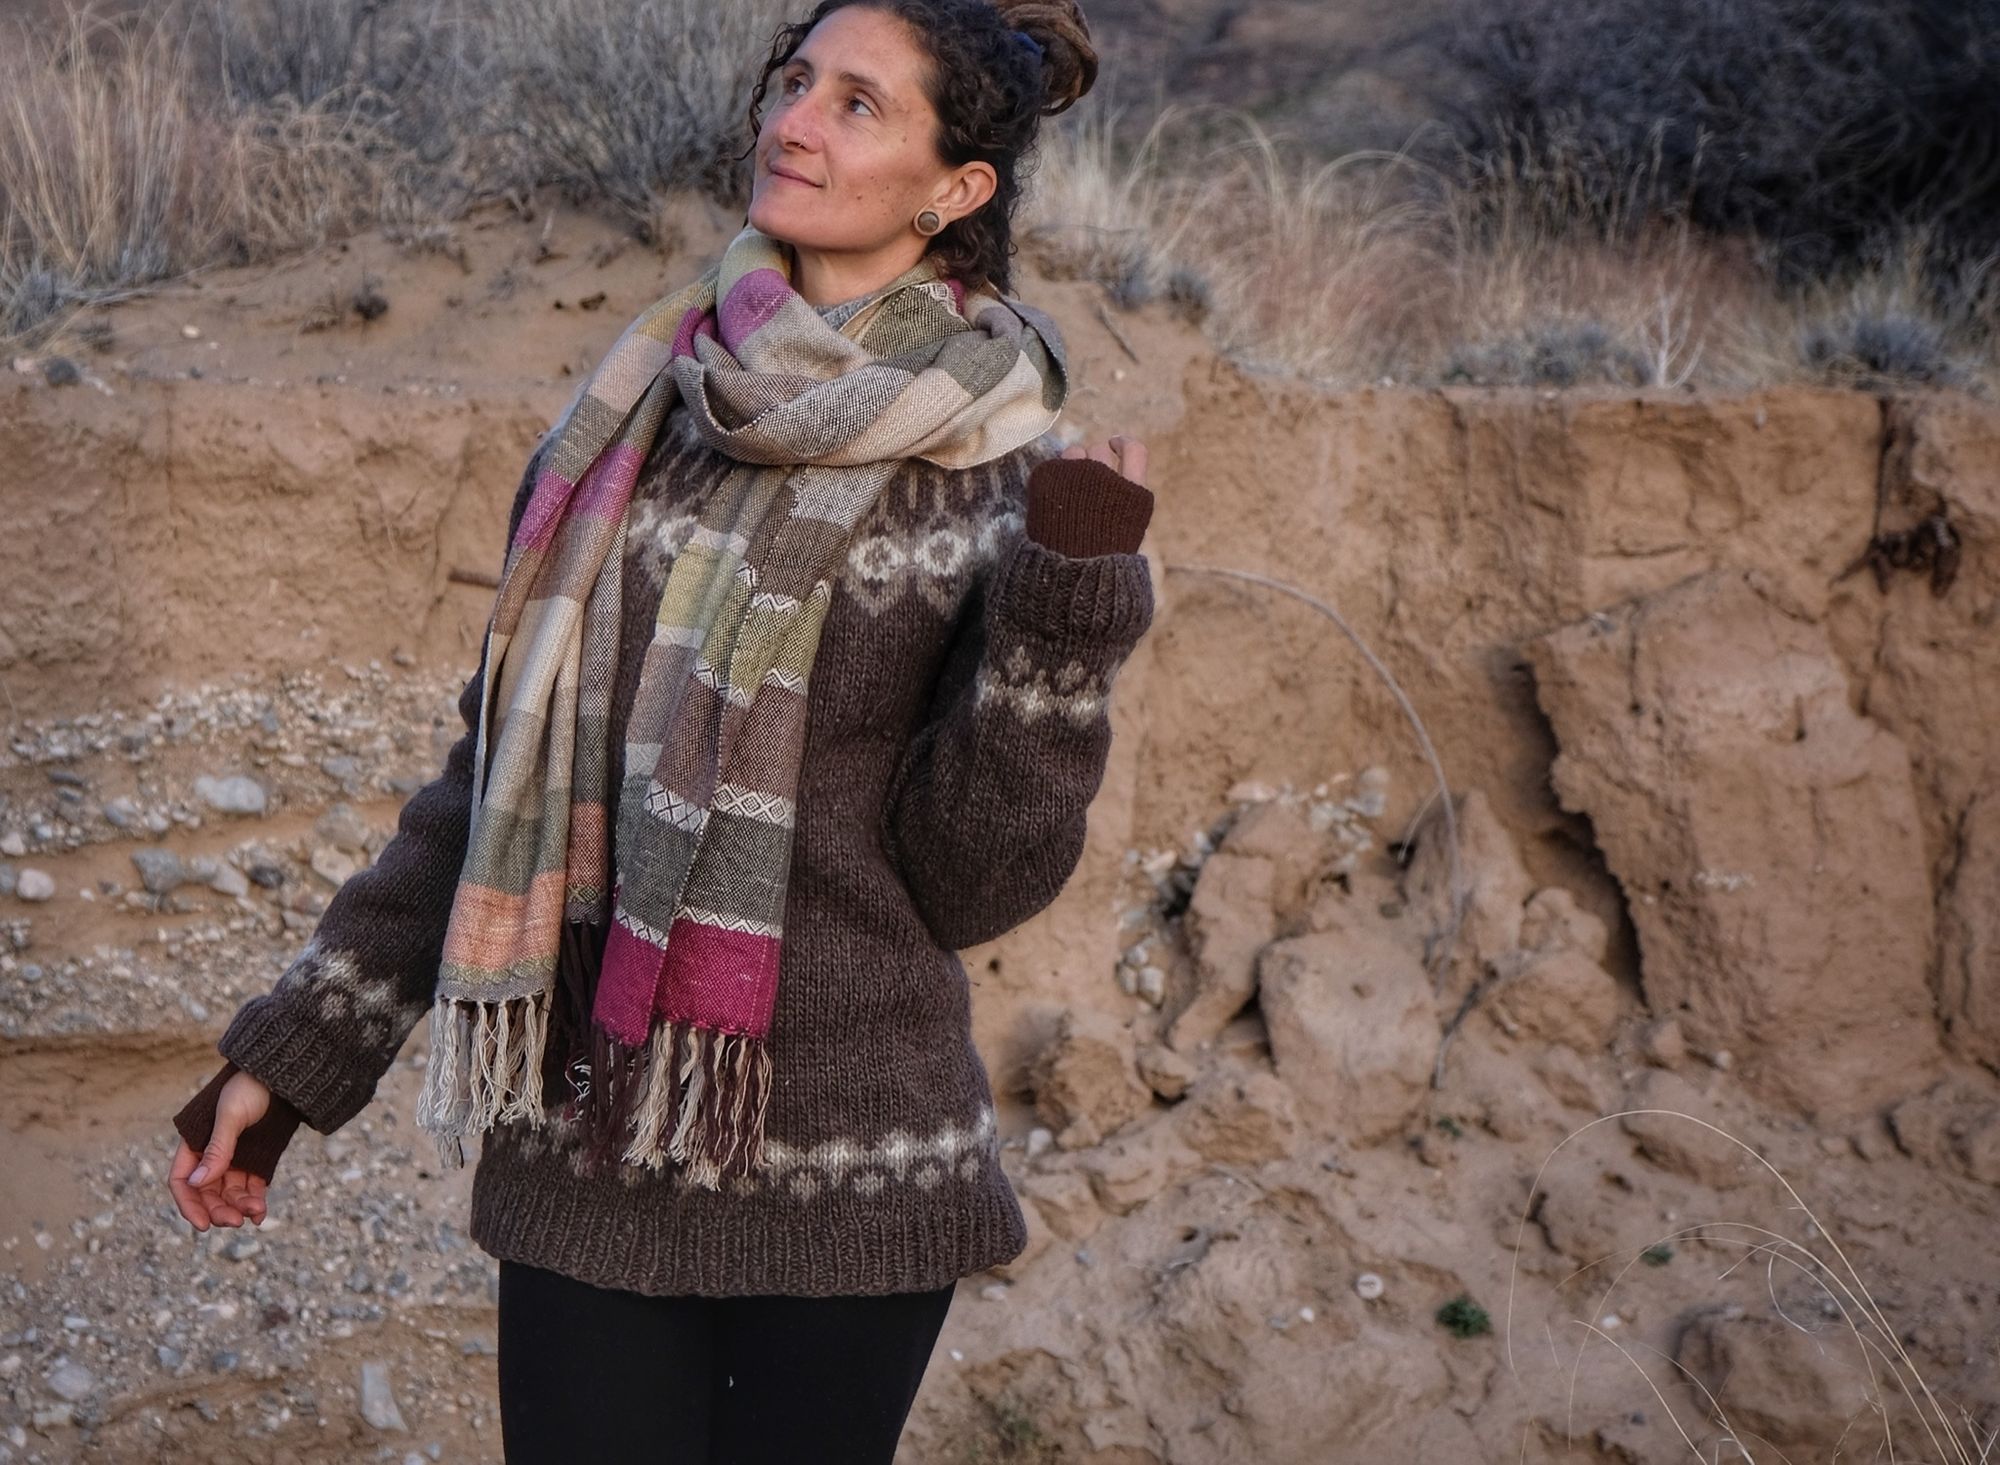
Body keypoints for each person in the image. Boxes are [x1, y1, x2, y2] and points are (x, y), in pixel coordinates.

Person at [166, 0, 1154, 1459]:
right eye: (796, 81)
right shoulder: (641, 409)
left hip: (854, 1176)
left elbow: (975, 881)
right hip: (588, 1145)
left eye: (859, 104)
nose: (796, 119)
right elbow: (492, 777)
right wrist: (303, 1053)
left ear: (959, 191)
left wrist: (1067, 613)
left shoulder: (1010, 473)